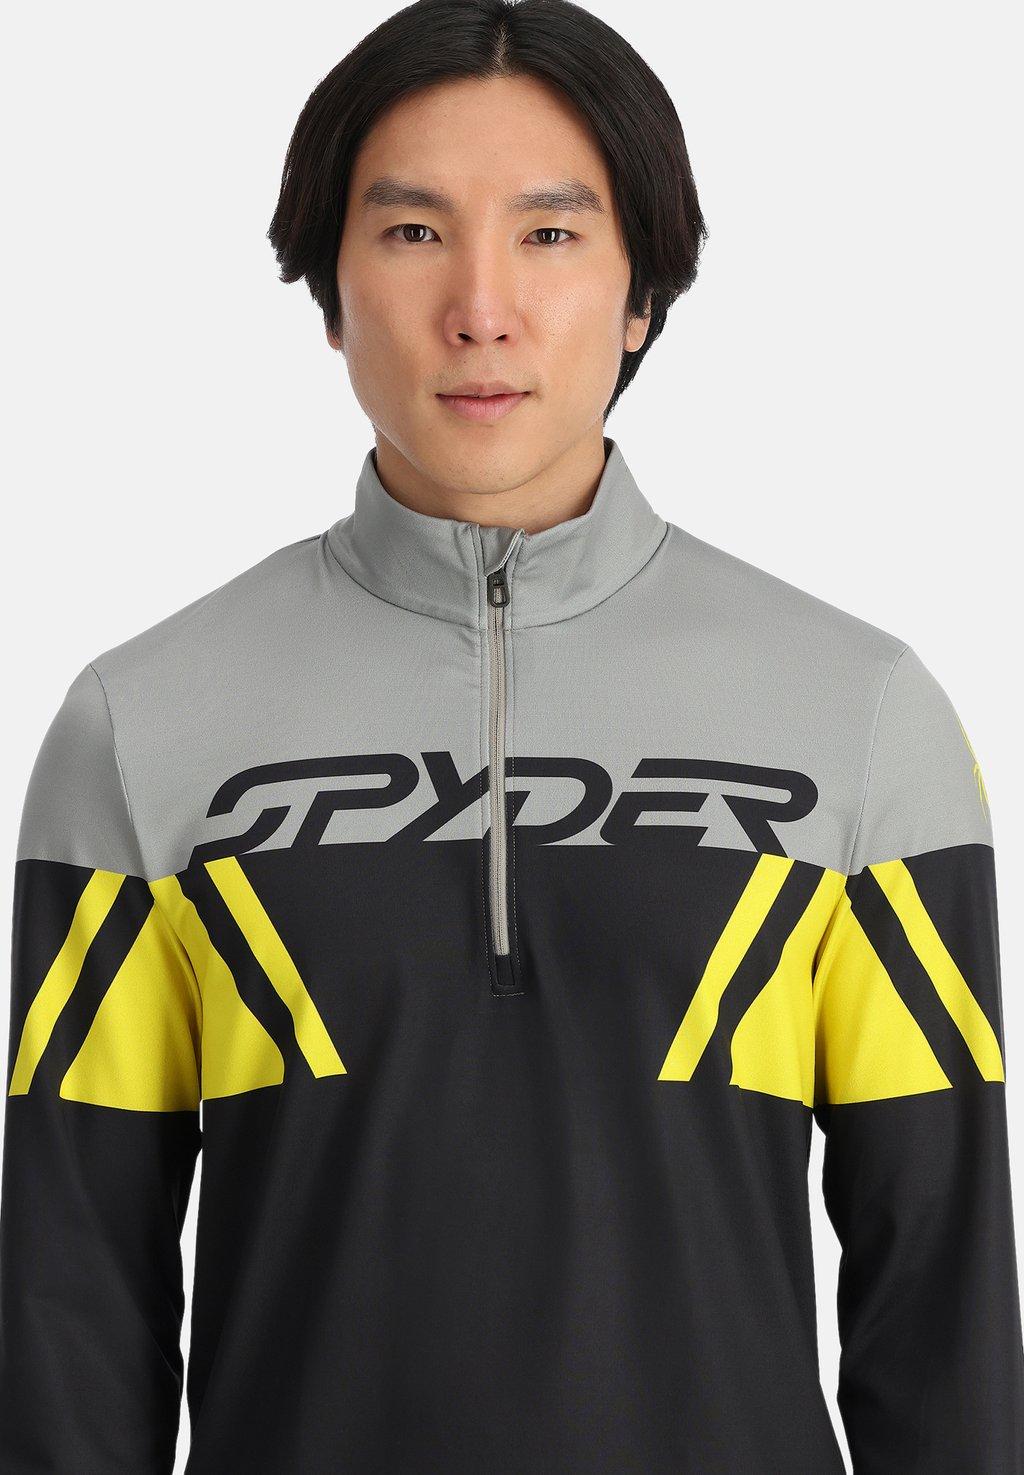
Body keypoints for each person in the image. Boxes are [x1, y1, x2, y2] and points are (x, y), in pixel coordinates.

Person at [1, 0, 1022, 1468]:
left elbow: (942, 1314)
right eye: (414, 232)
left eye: (549, 234)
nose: (481, 308)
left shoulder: (861, 719)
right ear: (329, 290)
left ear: (642, 292)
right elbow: (69, 1308)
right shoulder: (139, 726)